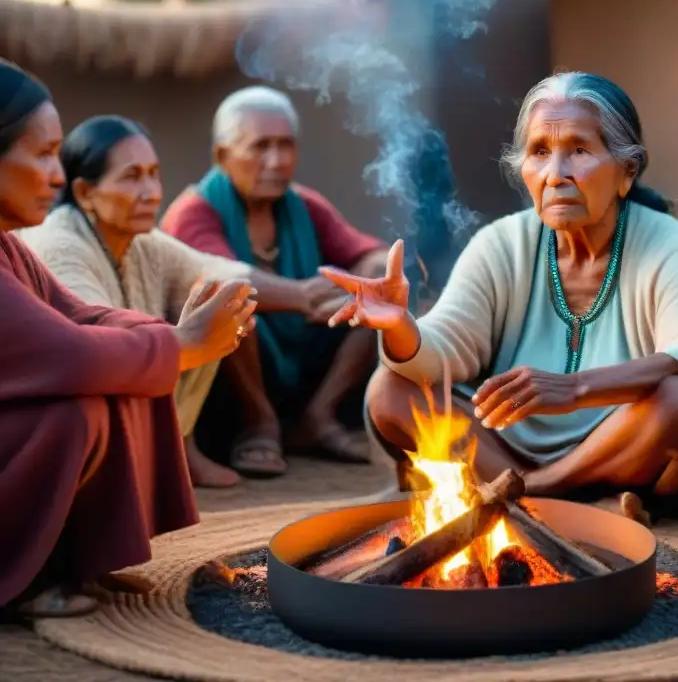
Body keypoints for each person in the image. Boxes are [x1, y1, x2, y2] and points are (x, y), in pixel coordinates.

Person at [325, 71, 678, 522]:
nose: (556, 174)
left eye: (578, 150)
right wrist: (399, 326)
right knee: (389, 390)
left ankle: (535, 496)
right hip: (508, 452)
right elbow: (450, 353)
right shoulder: (501, 243)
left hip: (627, 448)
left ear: (627, 172)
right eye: (540, 152)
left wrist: (573, 388)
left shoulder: (670, 243)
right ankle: (548, 495)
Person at [0, 60, 256, 618]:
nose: (56, 177)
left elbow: (81, 317)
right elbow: (66, 352)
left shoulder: (9, 246)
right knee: (73, 407)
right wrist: (182, 344)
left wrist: (177, 334)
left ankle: (83, 560)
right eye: (42, 155)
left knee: (121, 379)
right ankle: (17, 579)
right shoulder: (48, 242)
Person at [19, 115, 349, 486]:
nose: (152, 191)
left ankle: (180, 446)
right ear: (84, 193)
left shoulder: (141, 240)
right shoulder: (59, 245)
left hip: (133, 379)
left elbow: (215, 271)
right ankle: (148, 459)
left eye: (154, 174)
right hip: (67, 405)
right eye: (132, 177)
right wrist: (184, 335)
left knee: (218, 308)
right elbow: (96, 340)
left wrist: (304, 295)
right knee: (189, 327)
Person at [162, 86, 389, 470]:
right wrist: (304, 296)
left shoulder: (305, 205)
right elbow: (216, 279)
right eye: (260, 146)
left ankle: (318, 418)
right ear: (222, 156)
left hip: (305, 355)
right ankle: (258, 423)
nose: (277, 160)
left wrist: (372, 282)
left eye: (286, 146)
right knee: (230, 308)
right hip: (231, 376)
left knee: (379, 307)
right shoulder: (193, 212)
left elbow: (370, 254)